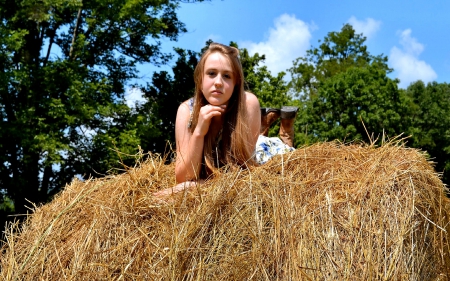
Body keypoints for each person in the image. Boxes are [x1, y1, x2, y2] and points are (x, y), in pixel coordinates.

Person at [153, 43, 294, 200]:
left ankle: (285, 130)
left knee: (283, 152)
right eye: (211, 73)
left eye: (227, 76)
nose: (218, 82)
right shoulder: (186, 110)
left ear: (236, 83)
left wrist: (198, 185)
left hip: (258, 153)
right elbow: (183, 177)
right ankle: (265, 123)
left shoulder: (248, 103)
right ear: (200, 80)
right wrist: (199, 131)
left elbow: (244, 174)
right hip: (223, 160)